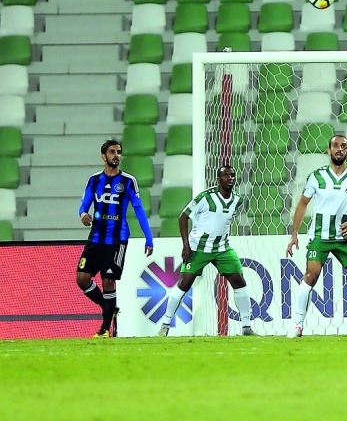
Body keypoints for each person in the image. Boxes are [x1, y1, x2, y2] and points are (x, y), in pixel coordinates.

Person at [285, 135, 347, 338]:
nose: (339, 149)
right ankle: (297, 326)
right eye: (335, 146)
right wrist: (294, 233)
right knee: (310, 276)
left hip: (345, 237)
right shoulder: (316, 177)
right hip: (319, 235)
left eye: (343, 146)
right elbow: (302, 203)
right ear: (328, 151)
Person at [158, 165, 255, 337]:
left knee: (239, 281)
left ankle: (246, 327)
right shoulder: (205, 197)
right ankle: (165, 325)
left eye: (232, 175)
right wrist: (186, 245)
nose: (230, 178)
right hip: (198, 248)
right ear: (218, 179)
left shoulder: (237, 201)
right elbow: (183, 217)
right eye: (225, 175)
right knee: (183, 285)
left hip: (222, 248)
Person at [75, 139, 154, 338]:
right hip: (95, 237)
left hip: (117, 239)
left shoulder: (128, 181)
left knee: (108, 281)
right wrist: (83, 214)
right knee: (82, 278)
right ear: (104, 156)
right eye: (112, 152)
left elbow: (138, 209)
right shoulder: (94, 180)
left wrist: (149, 238)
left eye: (118, 152)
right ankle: (109, 307)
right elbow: (84, 204)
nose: (116, 155)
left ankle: (104, 329)